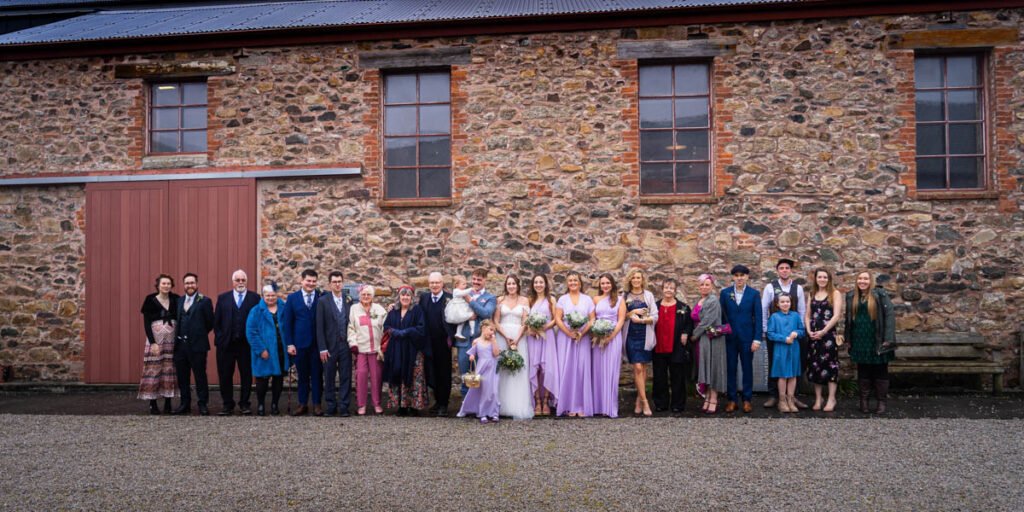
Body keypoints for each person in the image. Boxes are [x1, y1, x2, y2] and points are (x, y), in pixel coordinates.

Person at [844, 271, 896, 414]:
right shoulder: (851, 296)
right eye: (860, 279)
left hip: (877, 338)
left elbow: (890, 315)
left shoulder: (880, 294)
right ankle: (864, 402)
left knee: (880, 370)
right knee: (863, 370)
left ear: (870, 281)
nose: (862, 281)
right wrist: (848, 338)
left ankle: (881, 402)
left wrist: (888, 338)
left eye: (865, 279)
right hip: (860, 339)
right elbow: (848, 320)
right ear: (856, 281)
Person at [761, 258, 807, 409]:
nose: (784, 270)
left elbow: (801, 311)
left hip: (793, 333)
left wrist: (799, 330)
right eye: (781, 268)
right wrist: (765, 329)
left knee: (794, 365)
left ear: (790, 270)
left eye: (787, 268)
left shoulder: (797, 288)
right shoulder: (770, 287)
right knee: (776, 363)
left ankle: (793, 397)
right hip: (776, 332)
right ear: (777, 270)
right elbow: (763, 309)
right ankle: (775, 396)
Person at [213, 269, 260, 416]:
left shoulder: (255, 298)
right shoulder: (223, 298)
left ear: (246, 281)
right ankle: (227, 405)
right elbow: (217, 321)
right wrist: (220, 339)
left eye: (243, 280)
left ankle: (244, 404)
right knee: (225, 375)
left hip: (246, 345)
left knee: (246, 375)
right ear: (233, 282)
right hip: (226, 345)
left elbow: (258, 321)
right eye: (237, 280)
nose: (240, 282)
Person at [720, 264, 762, 414]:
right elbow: (722, 316)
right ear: (733, 277)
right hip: (730, 338)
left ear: (747, 277)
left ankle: (747, 400)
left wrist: (757, 339)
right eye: (736, 276)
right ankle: (732, 399)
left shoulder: (754, 294)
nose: (739, 278)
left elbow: (758, 317)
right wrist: (721, 333)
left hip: (747, 338)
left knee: (747, 368)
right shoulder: (725, 293)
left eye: (742, 275)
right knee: (730, 368)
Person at [280, 269, 323, 416]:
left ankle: (317, 404)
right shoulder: (293, 298)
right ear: (302, 281)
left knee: (317, 375)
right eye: (308, 281)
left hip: (317, 344)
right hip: (300, 344)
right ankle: (302, 404)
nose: (311, 284)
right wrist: (290, 344)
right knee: (303, 376)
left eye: (313, 281)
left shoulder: (322, 297)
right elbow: (287, 322)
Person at [173, 272, 214, 416]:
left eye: (192, 283)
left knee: (200, 376)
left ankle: (202, 404)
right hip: (180, 346)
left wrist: (198, 334)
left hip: (198, 346)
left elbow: (210, 323)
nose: (189, 285)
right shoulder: (179, 301)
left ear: (196, 284)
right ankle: (185, 404)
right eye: (187, 283)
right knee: (182, 377)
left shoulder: (205, 301)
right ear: (183, 285)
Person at [555, 271, 595, 417]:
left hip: (582, 338)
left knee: (581, 369)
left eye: (575, 280)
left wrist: (581, 333)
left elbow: (592, 319)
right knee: (567, 369)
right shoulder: (562, 299)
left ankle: (581, 404)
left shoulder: (587, 299)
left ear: (580, 282)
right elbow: (558, 318)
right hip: (565, 338)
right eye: (570, 280)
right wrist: (568, 333)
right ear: (567, 283)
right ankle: (568, 404)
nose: (573, 283)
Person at [384, 285, 429, 416]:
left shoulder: (417, 310)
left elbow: (421, 328)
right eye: (403, 295)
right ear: (399, 297)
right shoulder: (393, 311)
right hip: (396, 349)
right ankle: (401, 406)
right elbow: (386, 326)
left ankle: (414, 406)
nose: (405, 297)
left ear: (412, 297)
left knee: (414, 377)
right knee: (398, 374)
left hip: (413, 350)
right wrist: (393, 331)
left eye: (408, 295)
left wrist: (407, 332)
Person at [246, 284, 290, 416]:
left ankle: (275, 404)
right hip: (265, 351)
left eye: (273, 295)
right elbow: (251, 332)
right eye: (268, 295)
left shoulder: (284, 308)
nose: (271, 298)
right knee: (262, 380)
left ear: (277, 295)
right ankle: (260, 404)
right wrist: (261, 350)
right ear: (263, 296)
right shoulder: (255, 311)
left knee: (278, 378)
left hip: (281, 349)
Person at [493, 274, 533, 420]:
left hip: (519, 337)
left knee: (518, 370)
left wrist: (516, 338)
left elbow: (525, 322)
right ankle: (500, 406)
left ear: (518, 285)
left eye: (513, 284)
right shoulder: (500, 300)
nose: (511, 286)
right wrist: (505, 336)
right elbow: (496, 321)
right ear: (506, 285)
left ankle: (517, 406)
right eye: (509, 284)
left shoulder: (524, 300)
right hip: (503, 336)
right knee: (503, 369)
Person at [138, 274, 179, 414]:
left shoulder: (176, 299)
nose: (166, 286)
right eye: (163, 283)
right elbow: (146, 323)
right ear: (158, 285)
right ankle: (153, 402)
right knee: (154, 369)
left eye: (168, 283)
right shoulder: (150, 299)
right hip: (156, 340)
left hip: (171, 340)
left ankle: (168, 402)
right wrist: (152, 342)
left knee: (169, 369)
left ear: (171, 285)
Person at [652, 278, 694, 414]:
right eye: (666, 287)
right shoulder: (655, 306)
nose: (668, 290)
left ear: (675, 291)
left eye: (671, 288)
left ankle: (678, 404)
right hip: (658, 347)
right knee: (659, 377)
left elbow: (689, 324)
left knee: (677, 377)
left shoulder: (683, 308)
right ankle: (661, 403)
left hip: (676, 347)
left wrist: (686, 333)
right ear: (662, 289)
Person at [316, 270, 354, 417]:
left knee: (346, 377)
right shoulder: (322, 301)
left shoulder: (348, 299)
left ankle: (344, 406)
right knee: (329, 377)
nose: (337, 284)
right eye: (334, 282)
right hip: (329, 346)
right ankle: (331, 406)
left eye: (339, 282)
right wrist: (322, 348)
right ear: (330, 284)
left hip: (345, 345)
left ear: (342, 283)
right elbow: (319, 326)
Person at [805, 268, 843, 412]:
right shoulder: (812, 293)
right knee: (815, 366)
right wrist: (809, 331)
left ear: (829, 279)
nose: (822, 279)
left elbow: (836, 316)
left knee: (830, 366)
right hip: (814, 336)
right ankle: (818, 398)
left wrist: (824, 331)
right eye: (819, 277)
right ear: (815, 279)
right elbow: (808, 315)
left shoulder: (835, 293)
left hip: (828, 336)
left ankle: (831, 398)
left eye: (825, 277)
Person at [623, 268, 658, 417]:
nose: (636, 280)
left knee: (643, 368)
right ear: (630, 280)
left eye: (639, 278)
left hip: (645, 335)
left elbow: (655, 316)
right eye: (633, 278)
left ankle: (638, 398)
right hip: (631, 335)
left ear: (642, 280)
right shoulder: (624, 296)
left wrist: (643, 320)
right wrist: (632, 313)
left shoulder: (648, 295)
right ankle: (645, 402)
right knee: (637, 367)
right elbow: (621, 317)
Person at [456, 269, 496, 397]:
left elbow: (486, 314)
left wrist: (471, 302)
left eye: (479, 280)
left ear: (485, 280)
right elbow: (453, 311)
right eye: (474, 279)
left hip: (482, 342)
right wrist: (466, 317)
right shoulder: (463, 293)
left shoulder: (490, 298)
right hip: (464, 341)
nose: (476, 282)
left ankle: (480, 405)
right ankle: (464, 405)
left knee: (480, 375)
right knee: (465, 373)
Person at [419, 272, 455, 417]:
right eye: (432, 283)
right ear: (429, 284)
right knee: (431, 372)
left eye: (437, 282)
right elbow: (417, 314)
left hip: (443, 342)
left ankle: (443, 404)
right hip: (428, 342)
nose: (434, 285)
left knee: (443, 373)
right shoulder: (424, 298)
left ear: (442, 284)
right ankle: (437, 401)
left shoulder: (449, 299)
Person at [348, 285, 387, 415]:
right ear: (359, 296)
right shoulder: (354, 309)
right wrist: (353, 343)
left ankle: (377, 404)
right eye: (363, 294)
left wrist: (383, 345)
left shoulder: (379, 309)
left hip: (376, 350)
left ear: (372, 296)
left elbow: (385, 327)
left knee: (377, 377)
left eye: (368, 295)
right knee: (361, 376)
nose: (366, 297)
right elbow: (351, 327)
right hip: (361, 350)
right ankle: (361, 405)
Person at [591, 273, 626, 418]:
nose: (605, 285)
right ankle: (598, 406)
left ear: (612, 284)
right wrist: (597, 333)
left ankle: (610, 407)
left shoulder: (619, 300)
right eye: (602, 283)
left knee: (611, 371)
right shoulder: (595, 299)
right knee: (598, 371)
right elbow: (592, 318)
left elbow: (621, 320)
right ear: (600, 285)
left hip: (613, 338)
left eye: (607, 283)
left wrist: (610, 336)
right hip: (598, 338)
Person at [525, 274, 559, 416]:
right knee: (535, 369)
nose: (538, 284)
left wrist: (544, 328)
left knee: (547, 369)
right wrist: (531, 329)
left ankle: (546, 402)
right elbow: (526, 319)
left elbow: (556, 319)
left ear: (545, 284)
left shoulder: (551, 300)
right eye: (536, 282)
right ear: (533, 285)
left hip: (547, 337)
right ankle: (537, 401)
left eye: (541, 282)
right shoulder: (530, 300)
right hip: (534, 338)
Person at [766, 293, 806, 413]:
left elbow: (802, 331)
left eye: (787, 301)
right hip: (781, 348)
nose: (785, 304)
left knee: (793, 374)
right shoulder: (774, 317)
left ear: (791, 303)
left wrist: (797, 333)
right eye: (782, 302)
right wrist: (784, 339)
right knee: (783, 375)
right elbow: (770, 333)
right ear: (777, 304)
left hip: (794, 348)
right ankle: (782, 400)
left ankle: (790, 399)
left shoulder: (795, 316)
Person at [693, 274, 727, 414]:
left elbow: (707, 321)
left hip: (712, 338)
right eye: (702, 284)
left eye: (707, 284)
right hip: (702, 339)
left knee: (713, 368)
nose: (704, 287)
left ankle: (714, 398)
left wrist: (694, 335)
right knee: (705, 367)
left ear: (712, 286)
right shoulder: (699, 300)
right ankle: (706, 395)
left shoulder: (712, 300)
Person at [457, 320, 501, 424]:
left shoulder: (492, 341)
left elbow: (496, 354)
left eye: (493, 331)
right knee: (484, 390)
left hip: (492, 367)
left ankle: (494, 413)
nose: (492, 333)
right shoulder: (476, 341)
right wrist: (472, 356)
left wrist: (494, 340)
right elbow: (473, 352)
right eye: (490, 330)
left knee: (493, 391)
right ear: (483, 328)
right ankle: (483, 413)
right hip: (482, 368)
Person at [445, 275, 474, 341]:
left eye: (466, 284)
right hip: (457, 308)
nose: (465, 286)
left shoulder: (461, 291)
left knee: (464, 319)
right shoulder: (456, 291)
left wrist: (472, 298)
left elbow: (467, 296)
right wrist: (471, 289)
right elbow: (463, 293)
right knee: (464, 318)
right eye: (463, 284)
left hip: (462, 306)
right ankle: (468, 331)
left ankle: (470, 330)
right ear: (456, 284)